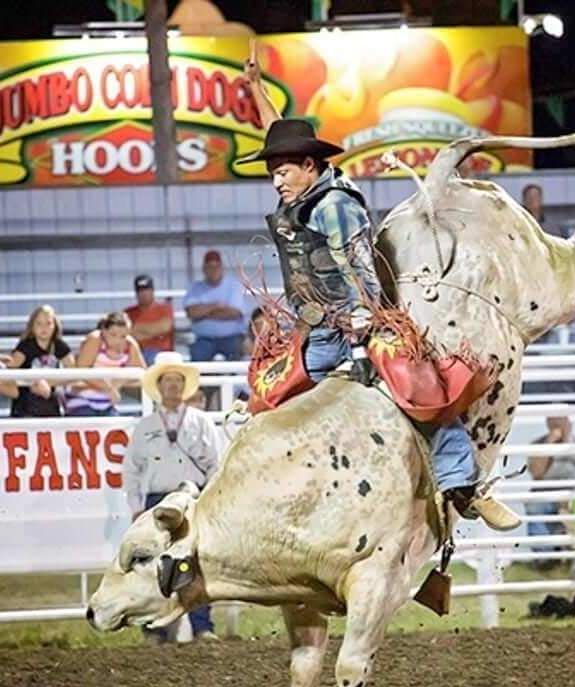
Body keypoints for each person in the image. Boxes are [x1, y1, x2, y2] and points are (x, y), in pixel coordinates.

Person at [241, 54, 519, 532]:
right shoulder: (304, 193)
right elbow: (280, 138)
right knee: (267, 401)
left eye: (284, 172)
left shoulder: (333, 207)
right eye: (273, 173)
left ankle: (465, 485)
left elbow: (357, 266)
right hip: (316, 331)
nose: (277, 180)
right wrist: (256, 90)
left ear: (310, 166)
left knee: (416, 389)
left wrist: (363, 328)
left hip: (354, 322)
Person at [123, 351, 221, 641]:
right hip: (157, 500)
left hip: (191, 498)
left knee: (195, 564)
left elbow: (215, 464)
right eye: (168, 380)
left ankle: (202, 626)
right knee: (154, 567)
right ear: (160, 385)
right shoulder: (145, 427)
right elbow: (132, 469)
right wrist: (135, 507)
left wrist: (210, 500)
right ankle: (155, 626)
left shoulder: (201, 422)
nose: (173, 386)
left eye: (178, 380)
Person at [65, 312, 145, 417]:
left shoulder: (130, 345)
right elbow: (81, 372)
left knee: (116, 428)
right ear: (104, 331)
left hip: (107, 403)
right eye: (113, 335)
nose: (118, 340)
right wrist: (108, 388)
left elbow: (143, 374)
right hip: (81, 399)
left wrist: (121, 380)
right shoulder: (95, 339)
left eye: (123, 336)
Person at [526, 416, 575, 559]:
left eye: (561, 419)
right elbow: (536, 473)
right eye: (552, 419)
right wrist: (549, 444)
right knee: (534, 505)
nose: (556, 423)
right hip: (545, 493)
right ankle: (545, 557)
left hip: (574, 493)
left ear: (569, 422)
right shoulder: (538, 444)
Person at [8, 305, 74, 417]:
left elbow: (74, 371)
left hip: (49, 401)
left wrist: (48, 382)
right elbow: (12, 365)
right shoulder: (26, 346)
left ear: (55, 325)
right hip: (26, 403)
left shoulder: (58, 345)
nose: (44, 328)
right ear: (32, 326)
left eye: (48, 323)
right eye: (39, 323)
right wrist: (33, 382)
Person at [184, 250, 246, 362]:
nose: (213, 270)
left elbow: (234, 313)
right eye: (209, 267)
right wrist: (216, 306)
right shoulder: (195, 287)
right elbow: (192, 313)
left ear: (222, 268)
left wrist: (204, 313)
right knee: (197, 356)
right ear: (204, 269)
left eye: (216, 267)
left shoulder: (234, 285)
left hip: (231, 337)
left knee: (236, 352)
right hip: (204, 339)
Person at [124, 275, 175, 364]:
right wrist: (152, 332)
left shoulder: (165, 308)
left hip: (161, 353)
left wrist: (136, 329)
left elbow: (164, 327)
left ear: (152, 291)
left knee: (150, 358)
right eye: (140, 291)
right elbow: (124, 333)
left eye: (146, 290)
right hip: (135, 352)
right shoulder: (128, 312)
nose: (144, 293)